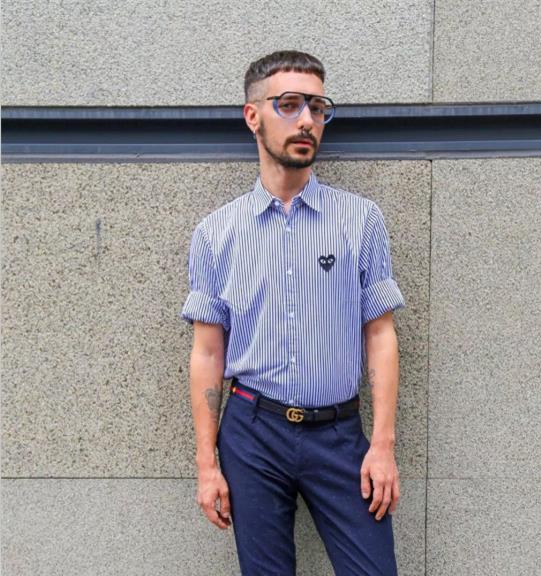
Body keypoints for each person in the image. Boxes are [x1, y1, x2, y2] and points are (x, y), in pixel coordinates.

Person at [180, 50, 406, 576]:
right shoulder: (216, 234)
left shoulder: (360, 221)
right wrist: (207, 465)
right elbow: (207, 353)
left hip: (339, 435)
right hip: (252, 435)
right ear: (252, 116)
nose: (306, 120)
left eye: (317, 107)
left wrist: (383, 445)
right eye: (289, 105)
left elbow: (380, 335)